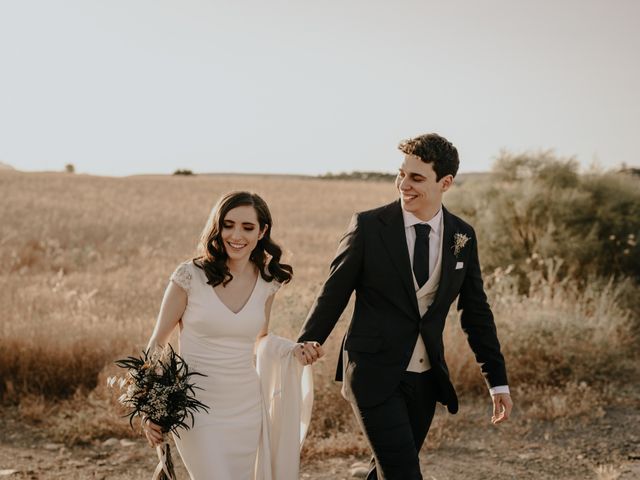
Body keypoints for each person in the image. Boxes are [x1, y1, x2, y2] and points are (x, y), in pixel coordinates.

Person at [297, 133, 513, 479]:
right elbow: (334, 291)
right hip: (372, 372)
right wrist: (309, 339)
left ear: (446, 183)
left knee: (386, 470)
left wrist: (496, 381)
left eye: (416, 177)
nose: (403, 184)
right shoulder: (369, 226)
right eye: (401, 174)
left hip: (426, 380)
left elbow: (476, 312)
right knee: (403, 473)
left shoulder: (462, 236)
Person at [142, 191, 322, 480]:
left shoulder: (267, 282)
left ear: (262, 231)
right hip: (194, 409)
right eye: (228, 225)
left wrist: (293, 350)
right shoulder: (189, 276)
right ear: (217, 227)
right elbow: (156, 344)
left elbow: (260, 340)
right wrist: (152, 407)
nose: (236, 235)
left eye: (247, 227)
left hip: (246, 408)